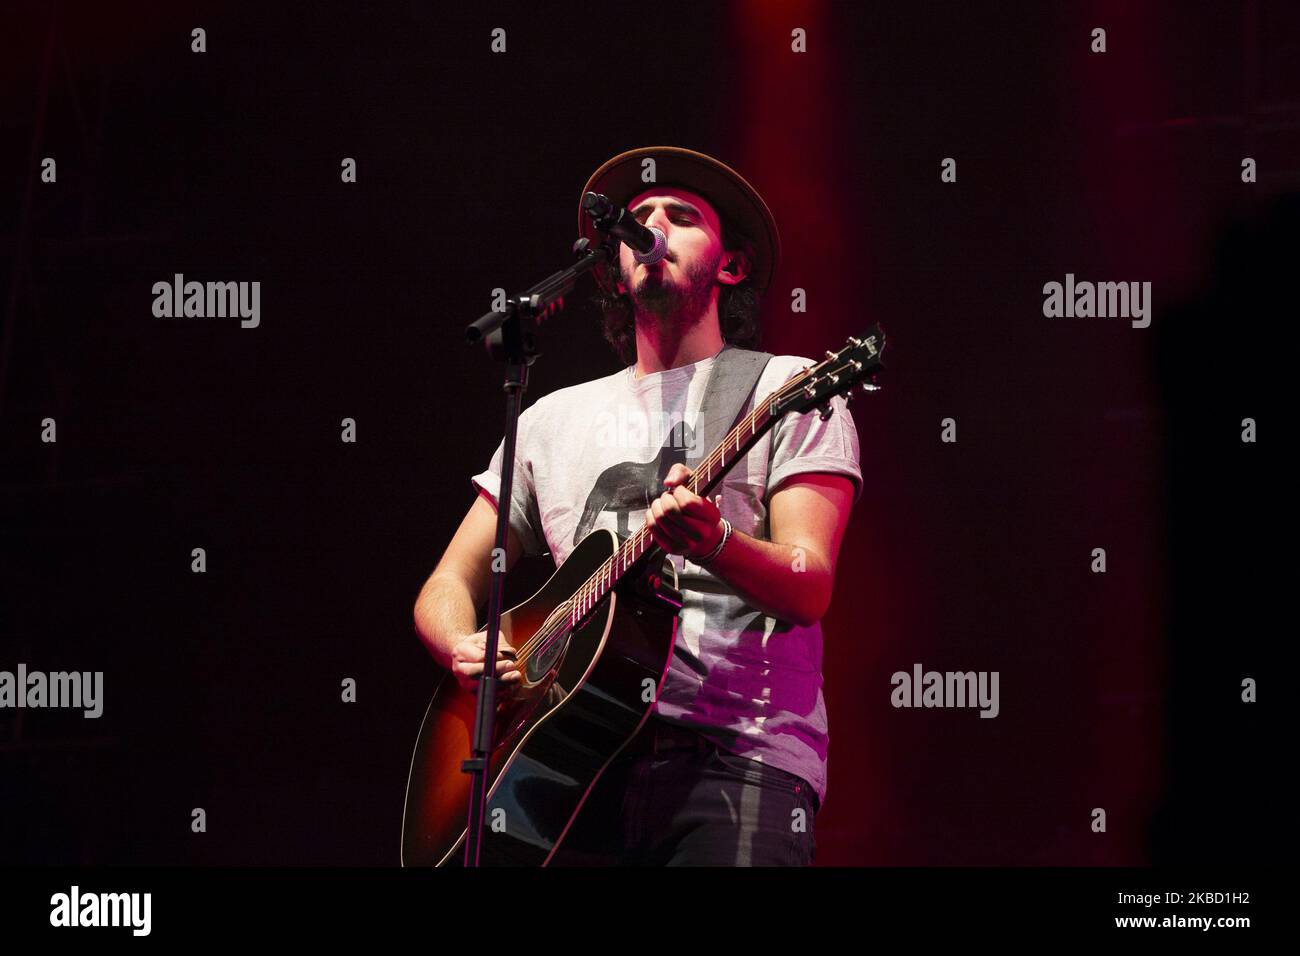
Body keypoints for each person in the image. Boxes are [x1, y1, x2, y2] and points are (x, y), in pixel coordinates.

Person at [414, 147, 863, 865]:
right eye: (640, 218)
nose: (652, 226)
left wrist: (717, 543)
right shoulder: (550, 420)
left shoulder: (786, 388)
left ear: (731, 266)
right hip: (563, 769)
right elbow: (446, 583)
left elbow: (810, 588)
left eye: (681, 217)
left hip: (735, 757)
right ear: (614, 269)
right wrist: (462, 642)